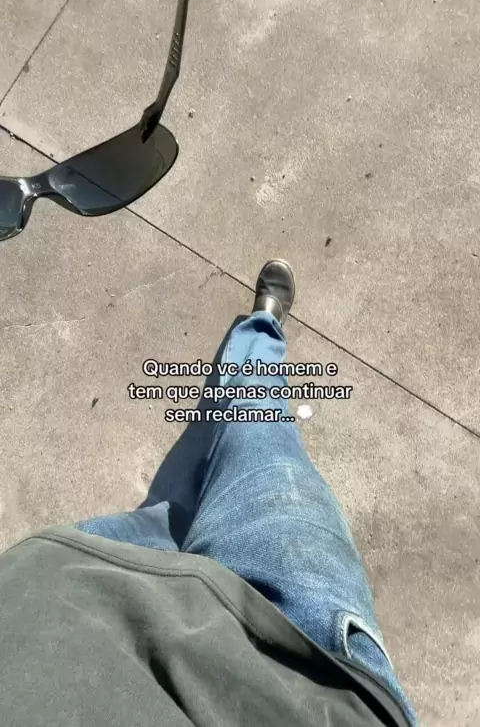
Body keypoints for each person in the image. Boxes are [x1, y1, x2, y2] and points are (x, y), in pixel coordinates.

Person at [0, 260, 418, 727]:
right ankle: (262, 329)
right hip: (300, 665)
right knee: (256, 425)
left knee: (171, 520)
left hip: (69, 585)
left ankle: (197, 511)